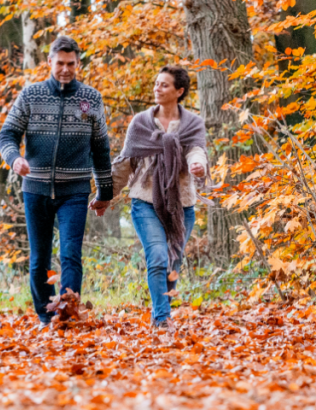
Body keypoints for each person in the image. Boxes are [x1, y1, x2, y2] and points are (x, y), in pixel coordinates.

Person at [0, 36, 113, 327]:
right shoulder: (31, 95)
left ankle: (66, 314)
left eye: (70, 63)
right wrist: (15, 159)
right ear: (49, 62)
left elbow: (101, 148)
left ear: (78, 63)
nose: (65, 69)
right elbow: (7, 134)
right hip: (35, 189)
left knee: (70, 254)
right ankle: (45, 317)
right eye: (59, 63)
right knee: (39, 260)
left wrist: (105, 191)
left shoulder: (91, 99)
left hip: (74, 191)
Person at [93, 66, 209, 331]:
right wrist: (105, 196)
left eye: (164, 85)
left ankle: (162, 309)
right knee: (157, 256)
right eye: (156, 84)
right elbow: (125, 163)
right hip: (145, 202)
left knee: (173, 262)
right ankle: (162, 318)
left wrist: (197, 165)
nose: (157, 88)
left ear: (179, 91)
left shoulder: (192, 124)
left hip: (183, 205)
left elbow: (196, 151)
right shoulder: (141, 123)